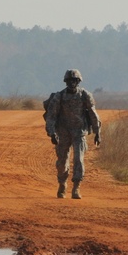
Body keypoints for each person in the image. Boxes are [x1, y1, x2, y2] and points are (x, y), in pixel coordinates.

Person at [43, 69, 101, 199]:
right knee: (62, 162)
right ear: (65, 82)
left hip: (79, 132)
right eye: (69, 81)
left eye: (74, 81)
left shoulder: (85, 95)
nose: (72, 83)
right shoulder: (59, 97)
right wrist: (52, 133)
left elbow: (93, 114)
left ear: (78, 81)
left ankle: (76, 187)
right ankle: (62, 184)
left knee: (78, 159)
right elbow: (51, 116)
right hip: (62, 132)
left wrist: (97, 132)